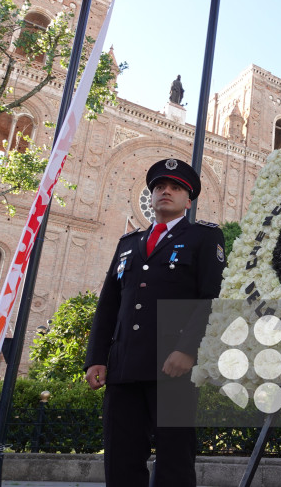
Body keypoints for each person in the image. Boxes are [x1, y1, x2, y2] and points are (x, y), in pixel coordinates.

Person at [84, 158, 226, 487]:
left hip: (173, 366)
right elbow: (108, 306)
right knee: (121, 459)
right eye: (159, 187)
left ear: (187, 200)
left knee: (174, 460)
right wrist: (96, 358)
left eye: (175, 188)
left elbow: (212, 298)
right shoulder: (128, 244)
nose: (166, 192)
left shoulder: (204, 237)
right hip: (124, 367)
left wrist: (188, 350)